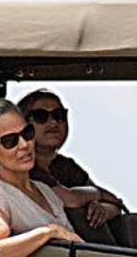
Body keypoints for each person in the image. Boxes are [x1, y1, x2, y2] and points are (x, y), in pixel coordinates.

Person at [0, 98, 80, 257]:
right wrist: (49, 232)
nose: (24, 145)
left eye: (27, 133)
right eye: (10, 141)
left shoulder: (45, 190)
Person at [17, 89, 126, 228]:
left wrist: (101, 209)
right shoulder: (21, 164)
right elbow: (70, 200)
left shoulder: (65, 165)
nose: (53, 123)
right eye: (41, 116)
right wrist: (98, 193)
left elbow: (115, 205)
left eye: (59, 115)